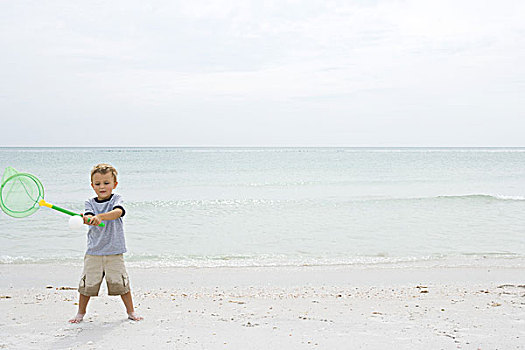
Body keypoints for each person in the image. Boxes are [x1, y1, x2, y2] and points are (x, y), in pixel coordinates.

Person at [69, 163, 143, 323]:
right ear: (92, 185)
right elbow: (88, 216)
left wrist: (101, 217)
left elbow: (118, 212)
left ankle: (131, 312)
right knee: (87, 285)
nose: (102, 187)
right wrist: (87, 219)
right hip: (94, 252)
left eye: (106, 183)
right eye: (97, 184)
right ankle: (80, 313)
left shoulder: (116, 199)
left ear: (114, 184)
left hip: (114, 251)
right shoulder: (90, 202)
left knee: (121, 284)